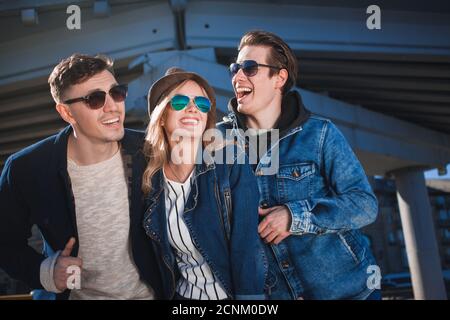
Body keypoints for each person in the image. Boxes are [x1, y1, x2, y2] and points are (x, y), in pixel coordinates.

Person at [218, 30, 381, 300]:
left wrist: (295, 217)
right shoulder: (218, 142)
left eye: (249, 67)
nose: (238, 76)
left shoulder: (320, 134)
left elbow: (365, 205)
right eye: (235, 68)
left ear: (279, 78)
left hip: (350, 292)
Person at [0, 53, 162, 299]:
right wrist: (45, 272)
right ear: (66, 113)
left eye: (116, 93)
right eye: (95, 99)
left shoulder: (150, 151)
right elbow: (5, 243)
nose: (112, 106)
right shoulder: (26, 169)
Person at [142, 67, 266, 300]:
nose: (192, 108)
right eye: (179, 102)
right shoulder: (151, 179)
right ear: (161, 116)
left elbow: (247, 246)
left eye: (202, 103)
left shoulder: (230, 164)